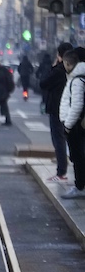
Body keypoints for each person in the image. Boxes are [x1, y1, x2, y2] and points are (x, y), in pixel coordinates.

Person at [40, 42, 73, 182]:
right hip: (70, 109)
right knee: (70, 140)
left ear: (59, 56)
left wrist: (54, 66)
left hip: (57, 109)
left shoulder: (58, 70)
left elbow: (43, 83)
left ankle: (61, 172)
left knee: (58, 139)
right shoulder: (73, 70)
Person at [58, 47, 85, 199]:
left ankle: (80, 186)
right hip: (77, 123)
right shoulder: (78, 77)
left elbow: (76, 105)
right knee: (78, 155)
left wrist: (67, 126)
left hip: (75, 125)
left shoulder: (77, 80)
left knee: (77, 156)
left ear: (69, 64)